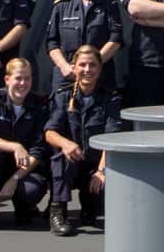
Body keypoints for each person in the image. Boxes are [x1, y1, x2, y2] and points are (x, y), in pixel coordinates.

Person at [44, 43, 125, 235]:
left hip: (95, 165)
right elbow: (49, 133)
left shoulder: (110, 99)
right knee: (61, 159)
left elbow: (111, 140)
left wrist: (101, 171)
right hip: (72, 162)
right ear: (74, 68)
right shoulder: (63, 97)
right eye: (82, 65)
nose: (87, 70)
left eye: (92, 65)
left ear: (100, 68)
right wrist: (66, 143)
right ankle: (58, 212)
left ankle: (90, 206)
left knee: (104, 188)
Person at [0, 56, 52, 231]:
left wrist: (15, 178)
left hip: (24, 169)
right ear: (7, 79)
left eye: (27, 78)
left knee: (32, 191)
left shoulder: (40, 104)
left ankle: (24, 207)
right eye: (18, 78)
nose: (23, 83)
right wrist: (15, 146)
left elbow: (38, 150)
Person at [42, 0, 124, 97]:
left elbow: (116, 39)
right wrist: (64, 66)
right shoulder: (61, 6)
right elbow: (51, 42)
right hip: (67, 75)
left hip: (100, 74)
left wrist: (93, 65)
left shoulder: (109, 4)